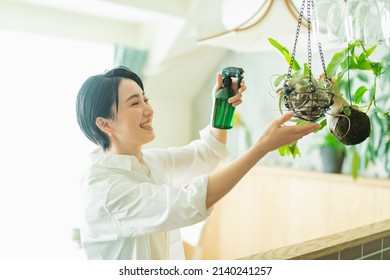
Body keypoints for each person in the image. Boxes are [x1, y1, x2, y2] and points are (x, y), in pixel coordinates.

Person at [76, 66, 319, 260]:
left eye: (145, 99)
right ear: (105, 124)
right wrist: (261, 147)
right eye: (134, 103)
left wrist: (222, 105)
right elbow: (188, 202)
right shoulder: (104, 190)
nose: (148, 110)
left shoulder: (149, 161)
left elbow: (207, 152)